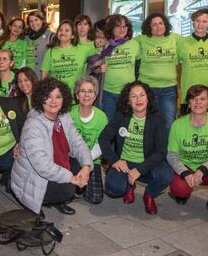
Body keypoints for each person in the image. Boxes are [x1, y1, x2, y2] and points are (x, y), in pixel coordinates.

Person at [11, 78, 92, 215]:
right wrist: (71, 178)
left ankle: (57, 201)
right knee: (68, 189)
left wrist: (87, 166)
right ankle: (34, 203)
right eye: (48, 97)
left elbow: (78, 143)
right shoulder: (34, 124)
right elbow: (41, 165)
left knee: (80, 164)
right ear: (40, 99)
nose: (54, 101)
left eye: (58, 96)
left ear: (64, 99)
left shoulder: (64, 117)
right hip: (33, 177)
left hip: (55, 164)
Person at [99, 81, 173, 215]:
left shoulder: (157, 119)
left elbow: (161, 152)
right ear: (128, 101)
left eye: (142, 95)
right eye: (133, 96)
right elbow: (103, 138)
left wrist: (139, 169)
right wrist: (114, 160)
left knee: (166, 175)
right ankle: (128, 186)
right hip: (125, 162)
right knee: (113, 188)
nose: (138, 99)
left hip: (147, 162)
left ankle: (149, 195)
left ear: (148, 98)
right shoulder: (121, 116)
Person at [135, 13, 182, 129]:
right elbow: (123, 45)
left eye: (160, 23)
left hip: (169, 89)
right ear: (149, 27)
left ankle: (164, 148)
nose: (158, 27)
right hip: (147, 88)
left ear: (165, 24)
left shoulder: (175, 38)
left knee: (168, 123)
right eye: (154, 24)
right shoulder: (141, 40)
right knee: (148, 124)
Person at [167, 84, 208, 209]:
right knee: (180, 188)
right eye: (193, 99)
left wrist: (203, 169)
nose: (198, 102)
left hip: (205, 166)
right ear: (188, 104)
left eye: (202, 99)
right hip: (186, 166)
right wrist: (185, 173)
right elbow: (172, 154)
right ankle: (182, 195)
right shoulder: (177, 125)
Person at [70, 75, 108, 204]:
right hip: (71, 157)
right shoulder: (69, 113)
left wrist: (86, 162)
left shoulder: (102, 117)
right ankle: (75, 186)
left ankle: (84, 184)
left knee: (95, 198)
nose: (86, 95)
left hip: (92, 159)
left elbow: (100, 145)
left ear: (95, 96)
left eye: (90, 91)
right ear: (77, 95)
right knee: (67, 192)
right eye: (82, 91)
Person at [99, 14, 140, 120]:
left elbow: (138, 68)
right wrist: (98, 69)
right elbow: (93, 67)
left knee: (126, 125)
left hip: (128, 94)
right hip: (108, 93)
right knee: (109, 125)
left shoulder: (134, 44)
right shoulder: (104, 45)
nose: (122, 29)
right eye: (118, 26)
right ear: (111, 28)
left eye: (124, 26)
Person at [41, 19, 97, 92]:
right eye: (60, 30)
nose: (63, 32)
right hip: (56, 97)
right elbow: (44, 76)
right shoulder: (50, 52)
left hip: (77, 95)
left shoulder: (84, 50)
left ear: (73, 35)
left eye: (67, 30)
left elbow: (98, 61)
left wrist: (99, 69)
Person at [178, 9, 208, 115]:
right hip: (189, 94)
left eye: (204, 21)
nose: (200, 24)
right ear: (193, 22)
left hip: (207, 94)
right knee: (187, 128)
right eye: (197, 21)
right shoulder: (182, 42)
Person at [25, 10, 54, 78]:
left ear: (42, 20)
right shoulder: (26, 38)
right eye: (31, 21)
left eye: (36, 20)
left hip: (44, 77)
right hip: (28, 77)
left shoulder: (51, 36)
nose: (34, 23)